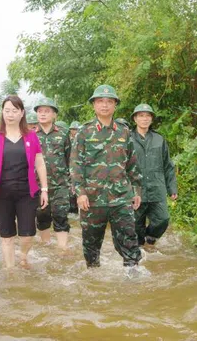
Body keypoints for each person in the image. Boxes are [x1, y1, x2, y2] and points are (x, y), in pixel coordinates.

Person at [70, 85, 143, 268]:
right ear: (94, 104)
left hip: (121, 197)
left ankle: (133, 274)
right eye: (100, 101)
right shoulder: (84, 132)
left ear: (115, 105)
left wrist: (136, 190)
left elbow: (132, 163)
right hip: (92, 199)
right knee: (91, 244)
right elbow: (75, 165)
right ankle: (94, 277)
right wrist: (80, 193)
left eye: (109, 102)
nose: (104, 105)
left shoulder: (124, 131)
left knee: (129, 238)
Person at [0, 95, 49, 269]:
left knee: (27, 234)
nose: (10, 114)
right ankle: (10, 270)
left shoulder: (31, 136)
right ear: (2, 113)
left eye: (14, 111)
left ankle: (23, 256)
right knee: (6, 235)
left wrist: (44, 189)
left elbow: (40, 163)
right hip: (1, 192)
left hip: (27, 192)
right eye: (7, 110)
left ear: (21, 113)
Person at [130, 104, 178, 247]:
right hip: (136, 189)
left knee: (163, 219)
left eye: (148, 116)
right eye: (141, 116)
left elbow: (168, 165)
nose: (145, 119)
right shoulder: (127, 139)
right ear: (135, 119)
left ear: (151, 119)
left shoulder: (159, 139)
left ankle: (151, 238)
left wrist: (172, 188)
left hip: (157, 188)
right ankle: (139, 249)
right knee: (135, 223)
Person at [34, 98, 71, 250]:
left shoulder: (63, 134)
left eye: (47, 111)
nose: (42, 114)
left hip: (60, 184)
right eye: (40, 111)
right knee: (42, 218)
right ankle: (46, 247)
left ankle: (62, 250)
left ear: (54, 114)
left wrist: (72, 183)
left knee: (61, 217)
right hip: (37, 185)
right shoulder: (31, 135)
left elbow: (70, 159)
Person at [68, 121, 81, 214]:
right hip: (69, 168)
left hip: (79, 168)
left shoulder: (82, 139)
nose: (74, 131)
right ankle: (72, 211)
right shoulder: (67, 140)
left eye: (76, 129)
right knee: (71, 192)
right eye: (73, 129)